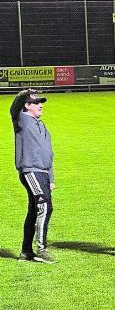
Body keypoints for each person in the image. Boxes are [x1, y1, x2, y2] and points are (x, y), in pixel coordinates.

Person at [11, 89, 57, 263]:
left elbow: (48, 152)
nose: (40, 106)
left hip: (43, 172)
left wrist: (51, 178)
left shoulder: (41, 125)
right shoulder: (21, 119)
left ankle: (26, 252)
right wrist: (23, 94)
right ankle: (41, 249)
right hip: (31, 170)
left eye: (41, 102)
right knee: (45, 206)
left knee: (34, 211)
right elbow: (14, 108)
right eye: (36, 102)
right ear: (27, 105)